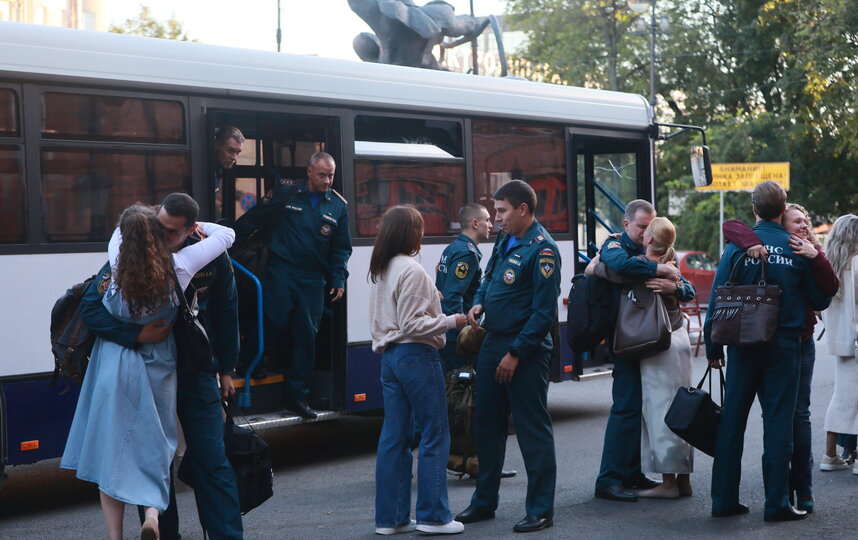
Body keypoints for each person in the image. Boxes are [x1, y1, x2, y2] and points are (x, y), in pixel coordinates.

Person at [61, 203, 235, 540]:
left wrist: (227, 367)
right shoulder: (179, 266)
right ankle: (157, 521)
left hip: (145, 367)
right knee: (160, 448)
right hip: (160, 367)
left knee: (139, 449)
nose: (166, 234)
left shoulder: (118, 260)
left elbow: (227, 311)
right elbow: (227, 235)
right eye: (160, 227)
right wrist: (136, 334)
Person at [704, 181, 832, 522]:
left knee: (732, 422)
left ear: (754, 209)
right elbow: (820, 300)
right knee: (778, 423)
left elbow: (717, 296)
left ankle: (723, 500)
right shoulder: (796, 247)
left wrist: (713, 347)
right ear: (783, 208)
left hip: (742, 345)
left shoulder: (737, 246)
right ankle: (776, 503)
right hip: (784, 347)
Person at [455, 180, 561, 533]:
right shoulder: (506, 238)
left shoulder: (543, 250)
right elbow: (489, 277)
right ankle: (484, 502)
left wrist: (516, 353)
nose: (497, 218)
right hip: (493, 343)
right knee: (487, 424)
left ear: (523, 210)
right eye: (496, 211)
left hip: (525, 351)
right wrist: (479, 301)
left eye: (502, 211)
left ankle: (540, 510)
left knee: (532, 429)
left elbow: (543, 313)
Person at [369, 205, 467, 536]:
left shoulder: (383, 268)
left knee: (394, 437)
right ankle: (434, 516)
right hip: (417, 356)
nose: (422, 234)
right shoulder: (411, 269)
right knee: (434, 433)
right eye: (420, 228)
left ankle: (391, 519)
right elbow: (413, 324)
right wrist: (453, 320)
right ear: (412, 233)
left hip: (390, 357)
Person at [236, 152, 353, 418]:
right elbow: (254, 219)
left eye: (331, 176)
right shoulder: (286, 193)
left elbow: (341, 248)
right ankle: (247, 363)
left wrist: (338, 278)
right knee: (272, 320)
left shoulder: (337, 206)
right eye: (322, 175)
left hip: (313, 278)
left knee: (306, 335)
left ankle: (297, 397)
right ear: (309, 171)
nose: (327, 181)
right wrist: (226, 243)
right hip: (282, 269)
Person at [588, 217, 696, 499]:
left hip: (656, 343)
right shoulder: (669, 261)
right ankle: (681, 480)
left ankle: (667, 483)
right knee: (679, 408)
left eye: (647, 228)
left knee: (661, 412)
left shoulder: (640, 263)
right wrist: (675, 283)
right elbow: (690, 290)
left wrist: (595, 267)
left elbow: (618, 272)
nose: (643, 232)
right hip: (675, 339)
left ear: (650, 238)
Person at [820, 215, 858, 474]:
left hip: (840, 341)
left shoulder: (829, 267)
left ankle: (829, 454)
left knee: (843, 397)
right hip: (857, 338)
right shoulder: (857, 263)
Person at [435, 203, 492, 373]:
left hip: (445, 329)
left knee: (450, 379)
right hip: (456, 335)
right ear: (475, 223)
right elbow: (453, 296)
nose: (490, 225)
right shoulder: (467, 253)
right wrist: (462, 331)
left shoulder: (454, 247)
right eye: (487, 220)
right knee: (461, 381)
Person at [213, 126, 245, 220]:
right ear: (217, 144)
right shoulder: (203, 167)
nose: (234, 157)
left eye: (238, 152)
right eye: (230, 150)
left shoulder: (218, 170)